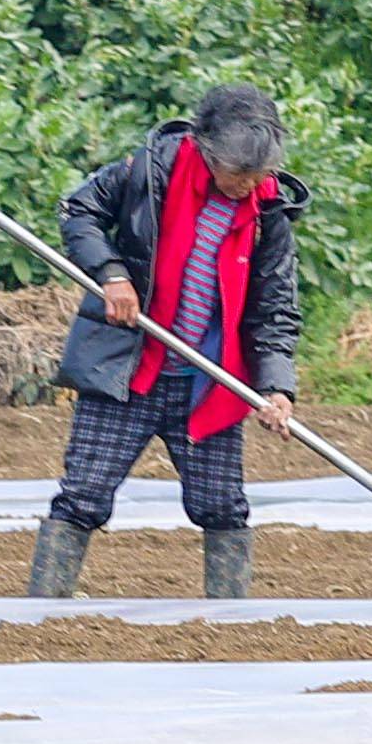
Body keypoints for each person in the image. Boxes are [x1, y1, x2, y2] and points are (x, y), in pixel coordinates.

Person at [32, 85, 305, 600]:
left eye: (257, 175)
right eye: (235, 173)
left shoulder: (269, 216)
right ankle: (35, 621)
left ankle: (230, 632)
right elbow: (78, 210)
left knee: (222, 507)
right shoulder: (148, 173)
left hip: (208, 382)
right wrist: (111, 274)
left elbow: (276, 308)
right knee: (83, 497)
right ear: (205, 148)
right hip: (127, 371)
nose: (246, 186)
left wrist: (276, 386)